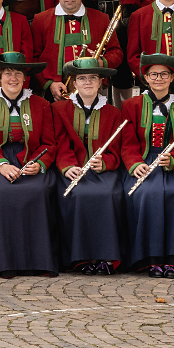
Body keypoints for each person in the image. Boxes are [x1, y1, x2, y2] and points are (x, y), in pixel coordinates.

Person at [0, 49, 59, 277]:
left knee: (39, 189)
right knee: (2, 191)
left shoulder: (41, 104)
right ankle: (4, 262)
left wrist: (39, 164)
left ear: (25, 78)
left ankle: (40, 262)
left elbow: (49, 143)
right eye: (8, 73)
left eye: (18, 73)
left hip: (31, 159)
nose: (13, 78)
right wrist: (1, 165)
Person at [121, 54, 174, 277]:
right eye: (153, 74)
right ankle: (150, 258)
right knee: (147, 193)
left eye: (164, 74)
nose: (159, 78)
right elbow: (127, 143)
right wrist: (135, 164)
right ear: (145, 78)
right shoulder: (130, 106)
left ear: (172, 78)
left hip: (173, 166)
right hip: (143, 163)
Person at [53, 56, 126, 275]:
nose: (87, 82)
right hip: (71, 168)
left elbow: (116, 149)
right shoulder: (59, 109)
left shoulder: (114, 113)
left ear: (101, 82)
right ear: (74, 83)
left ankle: (107, 257)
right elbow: (59, 143)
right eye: (82, 78)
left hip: (102, 171)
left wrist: (105, 162)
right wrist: (68, 166)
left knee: (109, 193)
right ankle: (81, 257)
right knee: (77, 194)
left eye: (93, 78)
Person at [31, 0, 120, 101]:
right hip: (56, 92)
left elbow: (116, 53)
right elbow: (34, 58)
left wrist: (101, 62)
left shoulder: (101, 18)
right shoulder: (41, 20)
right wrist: (49, 84)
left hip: (93, 89)